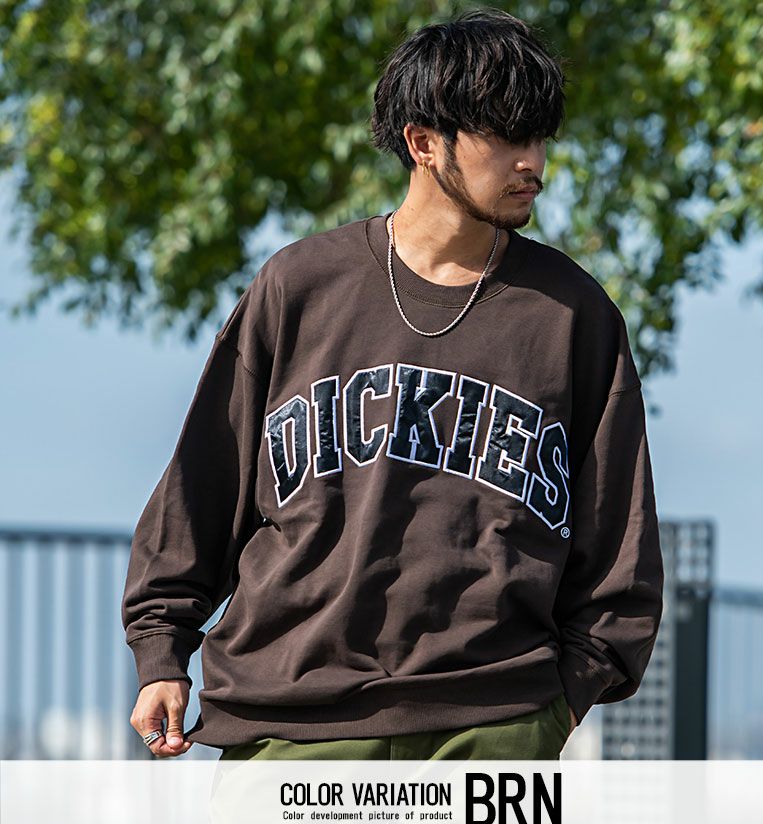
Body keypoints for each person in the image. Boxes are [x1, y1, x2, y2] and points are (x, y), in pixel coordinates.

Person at [122, 7, 664, 761]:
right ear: (424, 143)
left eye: (541, 138)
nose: (533, 163)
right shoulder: (300, 288)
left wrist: (559, 704)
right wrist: (161, 648)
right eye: (508, 137)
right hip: (293, 721)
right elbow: (203, 486)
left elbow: (619, 543)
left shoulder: (573, 315)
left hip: (494, 725)